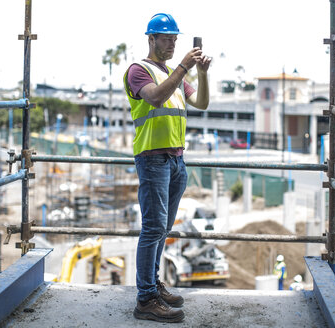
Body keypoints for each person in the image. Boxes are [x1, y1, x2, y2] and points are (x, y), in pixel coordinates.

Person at [123, 13, 211, 323]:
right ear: (151, 39)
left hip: (175, 161)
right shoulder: (139, 71)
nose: (173, 43)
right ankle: (145, 298)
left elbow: (201, 103)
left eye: (175, 38)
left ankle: (153, 285)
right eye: (167, 38)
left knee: (163, 229)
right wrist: (185, 67)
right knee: (153, 228)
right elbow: (157, 98)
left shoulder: (175, 73)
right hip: (152, 159)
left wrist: (201, 73)